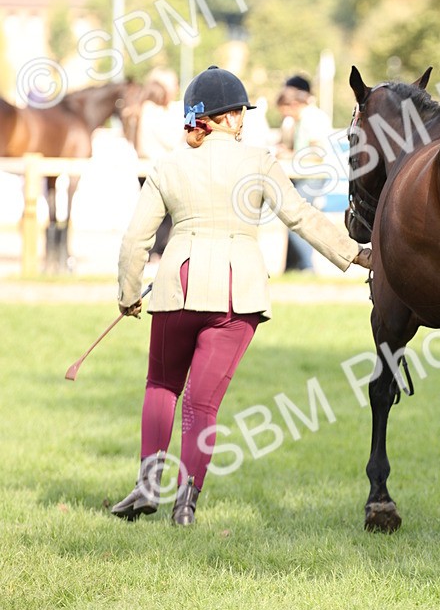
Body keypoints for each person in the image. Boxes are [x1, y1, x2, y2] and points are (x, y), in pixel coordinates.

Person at [111, 66, 371, 527]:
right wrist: (354, 254)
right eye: (238, 112)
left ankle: (148, 485)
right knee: (201, 404)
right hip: (237, 296)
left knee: (162, 386)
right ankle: (186, 503)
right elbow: (301, 217)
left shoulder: (169, 166)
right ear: (224, 118)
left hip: (179, 289)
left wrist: (128, 294)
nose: (244, 119)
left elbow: (136, 238)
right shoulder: (259, 161)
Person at [274, 83, 334, 273]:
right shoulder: (302, 119)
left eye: (284, 110)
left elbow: (316, 153)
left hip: (312, 176)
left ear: (292, 104)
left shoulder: (312, 118)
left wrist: (290, 155)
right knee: (293, 220)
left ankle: (307, 267)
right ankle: (294, 267)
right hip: (304, 176)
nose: (284, 115)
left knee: (297, 221)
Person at [133, 68, 183, 261]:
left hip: (150, 168)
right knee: (164, 215)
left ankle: (154, 253)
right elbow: (170, 139)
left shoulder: (143, 109)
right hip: (156, 168)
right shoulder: (152, 111)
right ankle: (155, 253)